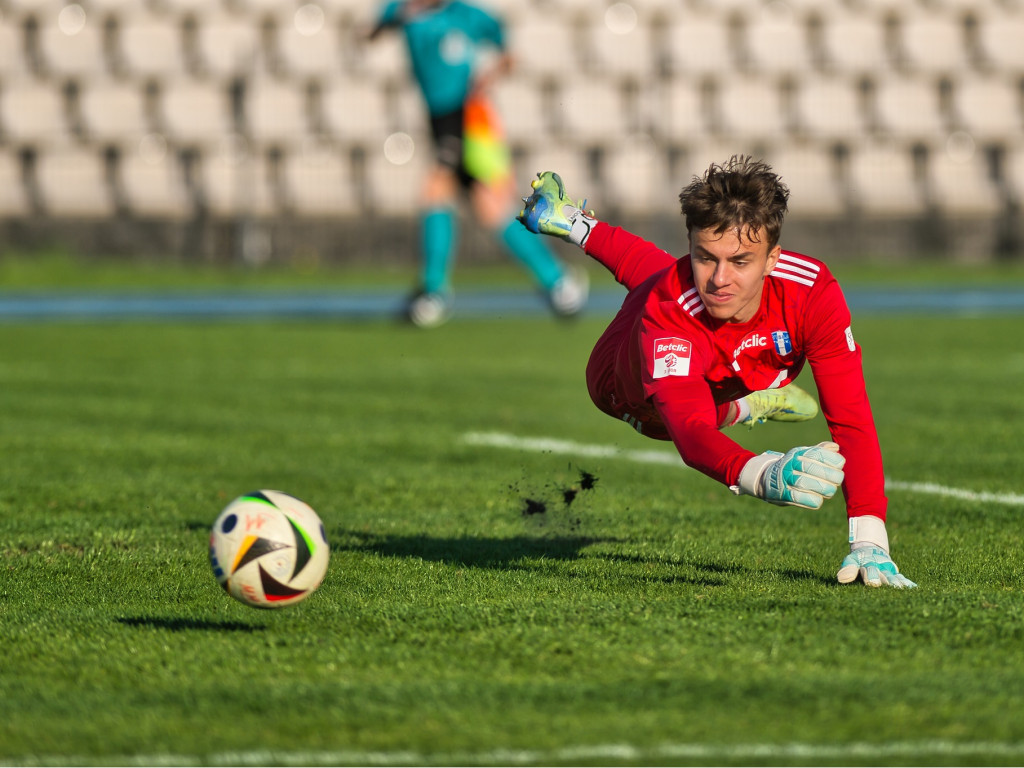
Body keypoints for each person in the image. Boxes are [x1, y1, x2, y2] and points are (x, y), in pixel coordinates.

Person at [517, 157, 916, 589]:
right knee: (676, 355)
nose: (720, 279)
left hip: (722, 359)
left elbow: (850, 416)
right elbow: (689, 430)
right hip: (621, 385)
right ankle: (744, 407)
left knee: (661, 275)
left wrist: (869, 539)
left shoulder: (813, 293)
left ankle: (571, 221)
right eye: (705, 257)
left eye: (741, 261)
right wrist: (761, 474)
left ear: (772, 259)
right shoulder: (671, 313)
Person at [367, 0, 588, 327]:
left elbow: (506, 50)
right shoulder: (403, 9)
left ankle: (434, 292)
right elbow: (373, 32)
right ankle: (558, 282)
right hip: (441, 120)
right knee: (490, 207)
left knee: (436, 189)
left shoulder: (464, 15)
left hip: (468, 117)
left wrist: (491, 74)